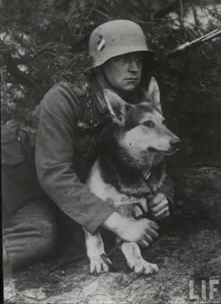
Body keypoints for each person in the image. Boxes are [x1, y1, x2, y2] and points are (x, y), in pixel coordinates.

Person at [2, 20, 173, 271]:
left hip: (40, 195)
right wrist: (118, 222)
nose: (134, 68)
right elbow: (54, 173)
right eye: (122, 59)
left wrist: (163, 193)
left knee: (42, 236)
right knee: (41, 238)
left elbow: (149, 153)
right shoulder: (65, 98)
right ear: (100, 63)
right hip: (11, 178)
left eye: (137, 59)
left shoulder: (131, 105)